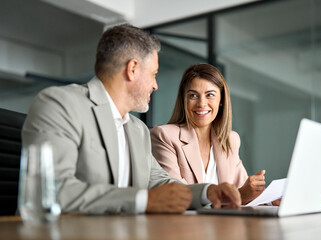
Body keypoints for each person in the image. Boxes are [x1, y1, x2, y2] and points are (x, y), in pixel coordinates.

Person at [21, 25, 241, 215]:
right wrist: (144, 201)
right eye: (154, 74)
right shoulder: (60, 104)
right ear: (133, 69)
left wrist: (207, 192)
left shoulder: (137, 129)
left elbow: (161, 183)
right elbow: (49, 190)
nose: (155, 85)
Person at [151, 63, 267, 205]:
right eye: (193, 95)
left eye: (210, 95)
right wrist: (240, 195)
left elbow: (243, 190)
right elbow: (176, 194)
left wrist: (269, 200)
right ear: (184, 100)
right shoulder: (164, 136)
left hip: (223, 225)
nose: (201, 104)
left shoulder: (230, 140)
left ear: (221, 101)